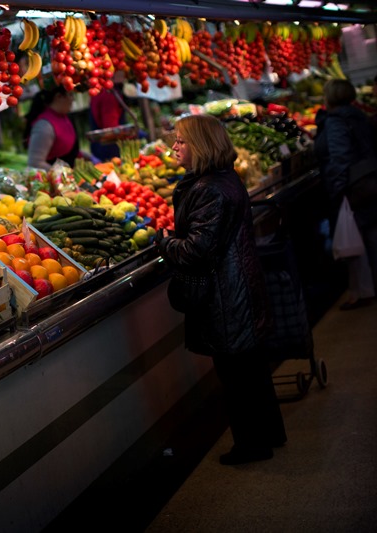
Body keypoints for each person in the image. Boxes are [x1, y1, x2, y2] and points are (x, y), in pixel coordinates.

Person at [155, 114, 286, 466]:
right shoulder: (222, 180)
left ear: (200, 145)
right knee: (252, 370)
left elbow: (197, 250)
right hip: (238, 285)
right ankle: (270, 434)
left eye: (181, 141)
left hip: (227, 296)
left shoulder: (210, 189)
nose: (175, 147)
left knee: (237, 376)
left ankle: (252, 447)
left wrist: (164, 242)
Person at [313, 79, 377, 310]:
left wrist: (339, 191)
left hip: (353, 186)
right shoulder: (357, 115)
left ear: (329, 98)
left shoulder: (336, 121)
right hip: (368, 181)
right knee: (370, 235)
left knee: (353, 238)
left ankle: (361, 292)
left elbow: (340, 158)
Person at [24, 85, 79, 170]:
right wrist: (63, 175)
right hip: (52, 179)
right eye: (70, 95)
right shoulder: (44, 126)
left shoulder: (64, 117)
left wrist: (91, 158)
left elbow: (70, 149)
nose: (73, 99)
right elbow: (35, 163)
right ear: (59, 96)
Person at [89, 70, 128, 162]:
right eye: (121, 69)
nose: (125, 72)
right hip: (109, 151)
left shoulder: (101, 91)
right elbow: (111, 129)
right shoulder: (108, 95)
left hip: (101, 149)